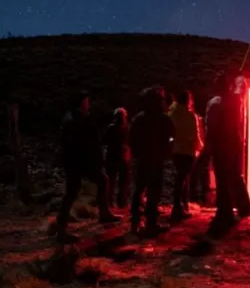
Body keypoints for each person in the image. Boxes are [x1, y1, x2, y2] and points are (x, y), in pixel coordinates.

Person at [55, 92, 121, 243]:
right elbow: (79, 144)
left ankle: (103, 213)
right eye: (86, 102)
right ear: (80, 103)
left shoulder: (80, 117)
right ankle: (61, 229)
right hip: (78, 162)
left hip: (82, 161)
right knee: (71, 193)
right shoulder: (73, 120)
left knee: (101, 181)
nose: (88, 104)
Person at [205, 72, 250, 227]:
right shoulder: (235, 99)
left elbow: (211, 128)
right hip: (234, 144)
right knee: (235, 176)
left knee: (222, 180)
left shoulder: (214, 103)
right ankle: (244, 207)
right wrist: (240, 81)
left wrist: (209, 145)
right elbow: (240, 90)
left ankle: (225, 212)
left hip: (221, 145)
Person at [129, 87, 175, 235]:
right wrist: (168, 149)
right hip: (155, 159)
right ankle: (151, 222)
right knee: (154, 190)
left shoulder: (139, 118)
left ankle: (136, 221)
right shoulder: (163, 119)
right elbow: (172, 136)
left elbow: (132, 138)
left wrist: (137, 153)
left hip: (143, 160)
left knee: (139, 190)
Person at [168, 90, 204, 221]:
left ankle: (183, 205)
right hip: (188, 151)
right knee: (182, 178)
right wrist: (200, 147)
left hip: (176, 151)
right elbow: (194, 135)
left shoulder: (172, 114)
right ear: (189, 100)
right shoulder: (190, 116)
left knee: (181, 178)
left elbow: (169, 133)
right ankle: (178, 207)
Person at [103, 107, 131, 209]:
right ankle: (118, 202)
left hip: (116, 156)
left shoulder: (117, 127)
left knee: (116, 180)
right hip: (118, 156)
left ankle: (117, 202)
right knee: (116, 180)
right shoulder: (123, 127)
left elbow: (105, 140)